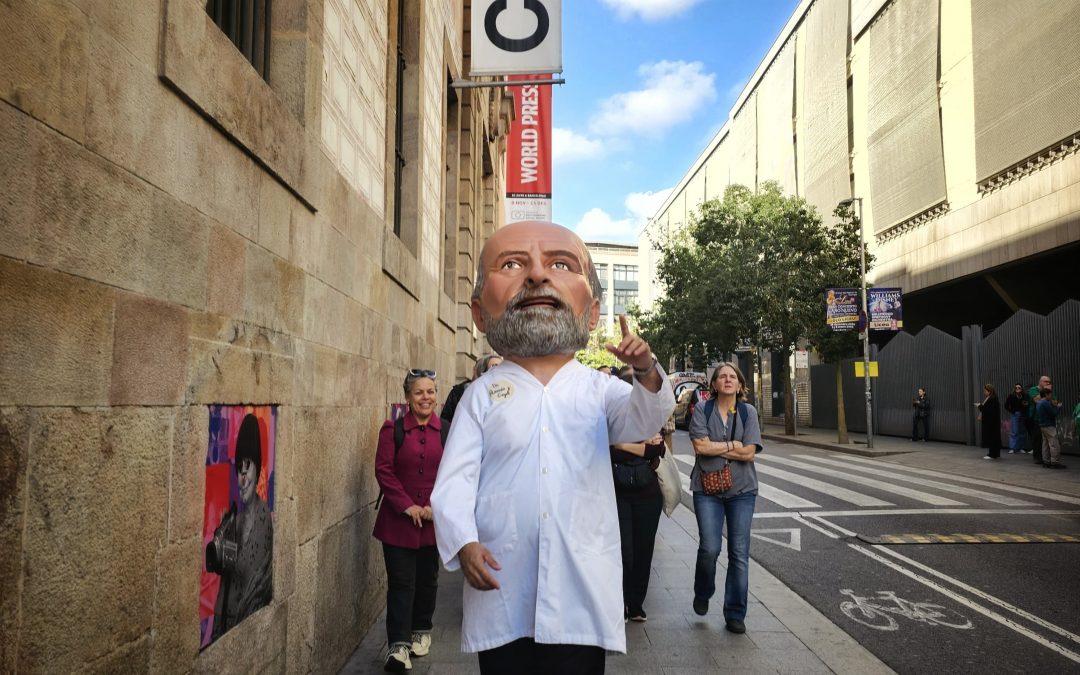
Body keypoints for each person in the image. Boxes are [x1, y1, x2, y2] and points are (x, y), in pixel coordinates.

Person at [430, 220, 675, 675]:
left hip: (579, 584)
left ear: (594, 312)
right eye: (513, 264)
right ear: (480, 314)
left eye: (559, 264)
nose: (538, 275)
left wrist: (645, 369)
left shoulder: (599, 390)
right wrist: (463, 542)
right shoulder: (482, 395)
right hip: (502, 579)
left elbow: (644, 417)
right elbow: (454, 482)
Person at [373, 370, 446, 672]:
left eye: (430, 392)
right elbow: (384, 471)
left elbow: (455, 473)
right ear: (407, 397)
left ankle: (421, 630)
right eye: (419, 393)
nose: (425, 398)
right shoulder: (393, 430)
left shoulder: (448, 431)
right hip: (397, 523)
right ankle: (398, 645)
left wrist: (433, 506)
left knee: (427, 580)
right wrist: (407, 506)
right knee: (401, 582)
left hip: (433, 522)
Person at [688, 362, 762, 635]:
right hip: (707, 490)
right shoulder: (702, 410)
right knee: (709, 548)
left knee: (739, 553)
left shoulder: (747, 412)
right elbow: (699, 447)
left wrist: (715, 448)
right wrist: (733, 445)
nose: (728, 380)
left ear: (740, 384)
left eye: (733, 377)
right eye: (722, 376)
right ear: (715, 384)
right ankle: (703, 590)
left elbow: (750, 453)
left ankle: (735, 613)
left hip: (742, 491)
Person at [210, 414, 273, 641]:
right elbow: (223, 592)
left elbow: (257, 584)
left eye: (248, 467)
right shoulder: (234, 521)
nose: (243, 477)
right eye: (239, 469)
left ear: (258, 470)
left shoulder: (264, 519)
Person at [610, 372, 666, 623]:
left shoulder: (652, 416)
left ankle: (636, 604)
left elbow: (658, 449)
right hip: (617, 493)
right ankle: (619, 602)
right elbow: (607, 451)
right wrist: (639, 445)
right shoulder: (609, 417)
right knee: (623, 551)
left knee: (644, 550)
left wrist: (622, 444)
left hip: (648, 494)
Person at [441, 354, 503, 425]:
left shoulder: (509, 399)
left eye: (503, 368)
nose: (499, 372)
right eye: (494, 367)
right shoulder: (460, 394)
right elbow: (446, 422)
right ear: (481, 374)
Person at [1035, 377, 1066, 469]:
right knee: (1054, 444)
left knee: (1045, 444)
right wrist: (1058, 407)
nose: (1051, 396)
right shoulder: (1045, 403)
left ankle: (1046, 461)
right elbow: (1053, 413)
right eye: (1050, 395)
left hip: (1042, 425)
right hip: (1049, 425)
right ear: (1046, 394)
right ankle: (1055, 462)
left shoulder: (1039, 403)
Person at [1004, 383, 1030, 453]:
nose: (1018, 389)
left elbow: (1028, 404)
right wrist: (1012, 411)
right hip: (1015, 415)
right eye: (1016, 388)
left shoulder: (1024, 396)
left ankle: (1021, 447)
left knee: (1022, 431)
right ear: (1014, 389)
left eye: (1019, 388)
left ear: (1021, 389)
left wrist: (1025, 405)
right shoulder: (1011, 396)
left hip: (1023, 414)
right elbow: (1006, 405)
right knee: (1014, 431)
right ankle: (1012, 448)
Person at [977, 384, 1001, 459]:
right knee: (994, 437)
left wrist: (979, 406)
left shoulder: (991, 399)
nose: (984, 392)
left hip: (991, 422)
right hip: (994, 422)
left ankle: (992, 454)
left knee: (992, 437)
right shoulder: (993, 398)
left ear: (989, 391)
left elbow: (987, 410)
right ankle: (995, 453)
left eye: (985, 391)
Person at [1027, 379, 1046, 463]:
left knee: (1046, 439)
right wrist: (1046, 395)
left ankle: (1045, 457)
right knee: (1037, 438)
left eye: (1049, 382)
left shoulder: (1049, 390)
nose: (1048, 383)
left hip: (1047, 418)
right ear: (1040, 382)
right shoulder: (1033, 389)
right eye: (1046, 381)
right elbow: (1037, 400)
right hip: (1035, 418)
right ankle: (1038, 457)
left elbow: (1055, 402)